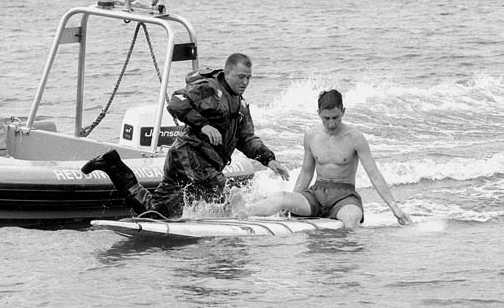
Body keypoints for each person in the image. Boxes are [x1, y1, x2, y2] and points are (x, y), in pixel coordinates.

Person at [81, 53, 289, 218]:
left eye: (249, 78)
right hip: (189, 154)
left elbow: (247, 139)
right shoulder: (209, 88)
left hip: (188, 160)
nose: (245, 82)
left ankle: (112, 165)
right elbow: (177, 101)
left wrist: (268, 160)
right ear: (227, 72)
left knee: (156, 211)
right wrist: (204, 125)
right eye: (241, 77)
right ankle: (231, 236)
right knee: (221, 190)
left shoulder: (241, 106)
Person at [230, 89, 411, 229]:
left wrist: (394, 207)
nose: (331, 123)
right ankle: (246, 210)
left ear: (343, 111)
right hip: (316, 194)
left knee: (352, 218)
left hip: (344, 196)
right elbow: (306, 172)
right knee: (282, 198)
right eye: (326, 118)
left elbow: (374, 174)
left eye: (335, 118)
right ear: (318, 113)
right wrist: (293, 200)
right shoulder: (311, 136)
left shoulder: (355, 138)